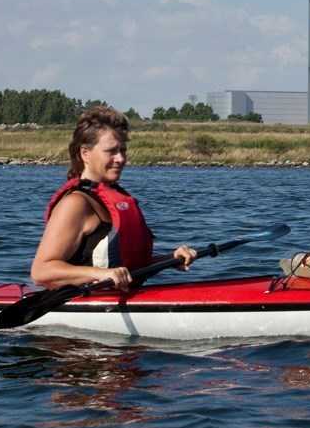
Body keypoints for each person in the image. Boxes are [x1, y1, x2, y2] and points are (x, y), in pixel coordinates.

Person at [30, 106, 196, 292]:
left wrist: (170, 259)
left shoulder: (116, 198)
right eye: (111, 151)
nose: (121, 159)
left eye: (123, 150)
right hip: (83, 305)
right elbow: (41, 272)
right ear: (85, 153)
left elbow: (126, 266)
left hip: (119, 298)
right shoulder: (75, 203)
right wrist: (99, 274)